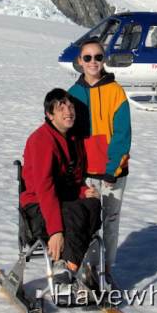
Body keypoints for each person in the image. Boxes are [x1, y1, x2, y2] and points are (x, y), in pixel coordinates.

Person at [20, 88, 101, 284]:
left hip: (63, 201)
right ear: (50, 115)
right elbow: (44, 188)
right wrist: (55, 231)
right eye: (61, 107)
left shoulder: (72, 138)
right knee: (74, 212)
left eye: (70, 106)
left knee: (92, 204)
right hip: (38, 207)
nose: (68, 111)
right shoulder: (41, 140)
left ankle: (71, 265)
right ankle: (64, 268)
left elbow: (70, 179)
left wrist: (83, 190)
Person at [68, 39, 131, 283]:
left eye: (98, 57)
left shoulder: (116, 91)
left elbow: (123, 134)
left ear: (104, 60)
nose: (93, 62)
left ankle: (107, 270)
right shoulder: (72, 95)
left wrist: (112, 167)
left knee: (111, 221)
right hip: (86, 172)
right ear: (79, 62)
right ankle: (90, 271)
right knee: (89, 221)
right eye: (88, 58)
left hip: (114, 171)